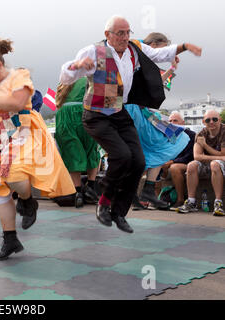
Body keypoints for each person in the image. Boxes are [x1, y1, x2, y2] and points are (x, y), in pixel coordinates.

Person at [59, 15, 202, 233]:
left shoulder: (135, 48)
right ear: (108, 35)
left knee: (138, 161)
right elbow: (66, 77)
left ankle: (119, 212)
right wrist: (77, 65)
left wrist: (184, 47)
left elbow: (159, 53)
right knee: (122, 156)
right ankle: (104, 202)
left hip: (119, 111)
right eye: (120, 33)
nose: (125, 37)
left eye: (128, 32)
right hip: (96, 114)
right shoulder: (93, 51)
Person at [0, 39, 75, 261]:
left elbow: (16, 103)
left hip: (23, 128)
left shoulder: (20, 77)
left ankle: (27, 200)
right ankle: (10, 238)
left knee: (13, 173)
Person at [126, 33, 190, 210]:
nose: (164, 54)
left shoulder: (140, 61)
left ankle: (140, 192)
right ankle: (142, 191)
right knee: (161, 144)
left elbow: (152, 84)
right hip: (135, 111)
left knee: (151, 150)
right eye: (163, 49)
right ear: (153, 45)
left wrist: (171, 70)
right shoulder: (136, 59)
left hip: (138, 111)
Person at [55, 77, 100, 208]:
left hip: (64, 116)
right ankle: (90, 188)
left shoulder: (63, 83)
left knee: (72, 153)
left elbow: (58, 103)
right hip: (86, 113)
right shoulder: (90, 78)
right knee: (92, 150)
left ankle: (78, 192)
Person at [177, 110, 225, 216]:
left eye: (215, 119)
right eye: (208, 120)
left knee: (215, 164)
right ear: (204, 122)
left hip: (219, 165)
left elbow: (223, 154)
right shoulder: (201, 134)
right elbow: (197, 156)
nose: (211, 122)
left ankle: (218, 203)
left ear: (220, 120)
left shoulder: (224, 131)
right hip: (210, 162)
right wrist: (219, 156)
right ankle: (191, 201)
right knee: (191, 165)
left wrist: (205, 146)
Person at [160, 111, 196, 208]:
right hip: (169, 164)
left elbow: (190, 155)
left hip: (186, 163)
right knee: (153, 166)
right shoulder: (166, 136)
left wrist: (172, 162)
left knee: (174, 167)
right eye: (170, 121)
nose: (172, 123)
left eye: (175, 120)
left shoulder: (191, 135)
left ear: (182, 123)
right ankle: (155, 199)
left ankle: (180, 200)